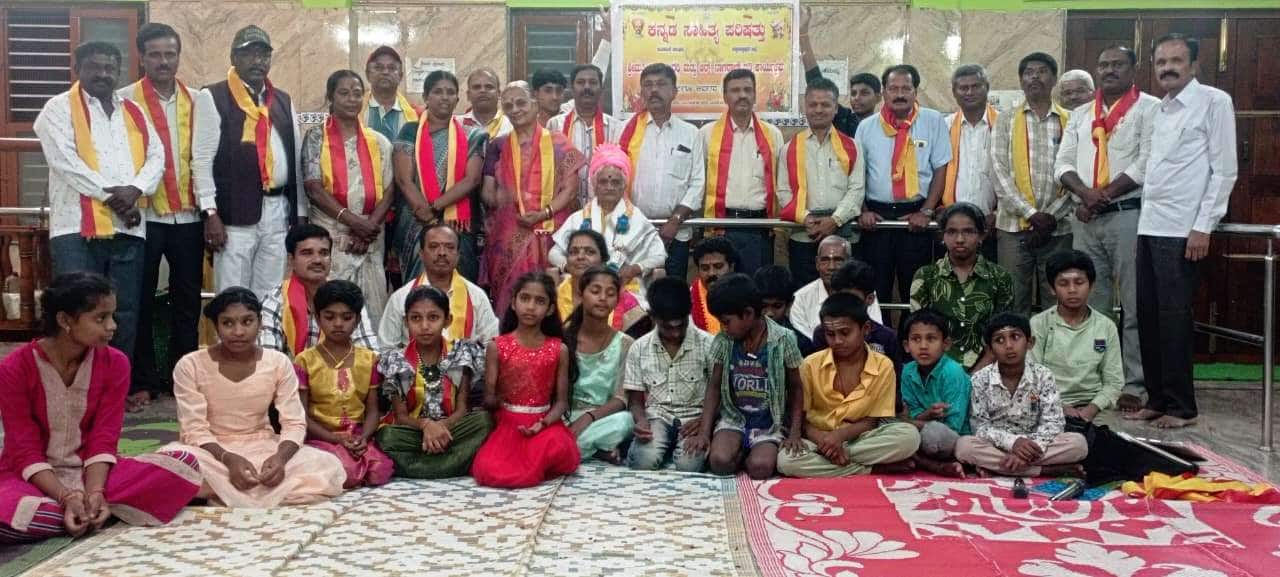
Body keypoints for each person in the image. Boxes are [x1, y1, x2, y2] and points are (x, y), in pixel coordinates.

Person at [0, 273, 201, 543]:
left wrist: (96, 492)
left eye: (112, 316)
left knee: (185, 465)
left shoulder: (115, 363)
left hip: (94, 473)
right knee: (13, 509)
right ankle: (88, 511)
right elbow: (24, 449)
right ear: (65, 320)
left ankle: (86, 509)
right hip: (31, 478)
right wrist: (65, 496)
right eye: (100, 318)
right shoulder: (14, 368)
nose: (112, 326)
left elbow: (103, 438)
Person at [1127, 34, 1237, 429]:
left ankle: (1181, 407)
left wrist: (1203, 226)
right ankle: (1157, 398)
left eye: (1176, 61)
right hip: (1149, 225)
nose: (1167, 68)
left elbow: (1224, 171)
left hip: (1183, 230)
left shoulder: (1214, 102)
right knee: (1148, 316)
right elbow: (1150, 170)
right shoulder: (1158, 110)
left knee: (1174, 319)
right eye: (1161, 62)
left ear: (1194, 65)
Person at [33, 42, 163, 373]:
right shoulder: (57, 109)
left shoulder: (133, 111)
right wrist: (115, 199)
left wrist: (136, 189)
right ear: (77, 69)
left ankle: (113, 385)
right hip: (77, 228)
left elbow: (156, 157)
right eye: (94, 67)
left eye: (110, 68)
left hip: (128, 227)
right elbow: (66, 162)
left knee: (124, 311)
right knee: (76, 310)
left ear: (119, 72)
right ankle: (73, 384)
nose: (103, 74)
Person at [165, 287, 346, 506]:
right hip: (211, 452)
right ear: (216, 327)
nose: (238, 331)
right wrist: (227, 459)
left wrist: (280, 459)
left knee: (327, 464)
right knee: (171, 460)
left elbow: (294, 422)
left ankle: (217, 492)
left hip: (263, 447)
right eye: (228, 323)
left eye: (247, 321)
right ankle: (240, 490)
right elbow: (193, 429)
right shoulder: (190, 365)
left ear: (260, 323)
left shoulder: (277, 362)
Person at [119, 24, 218, 412]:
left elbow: (204, 159)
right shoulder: (125, 99)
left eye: (170, 54)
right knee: (140, 298)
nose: (163, 61)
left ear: (179, 56)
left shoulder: (199, 100)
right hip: (142, 217)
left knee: (187, 301)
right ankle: (142, 380)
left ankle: (182, 378)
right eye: (155, 54)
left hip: (189, 215)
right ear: (142, 57)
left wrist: (210, 211)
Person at [1056, 45, 1158, 413]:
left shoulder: (1149, 108)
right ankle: (1095, 380)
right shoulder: (1081, 114)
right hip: (1086, 217)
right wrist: (1086, 195)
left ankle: (1133, 383)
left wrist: (1103, 196)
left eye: (1117, 64)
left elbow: (1146, 162)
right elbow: (1062, 163)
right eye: (1103, 64)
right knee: (1089, 304)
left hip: (1128, 215)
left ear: (1134, 68)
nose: (1109, 70)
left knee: (1133, 302)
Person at [206, 25, 305, 299]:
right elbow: (201, 162)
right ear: (233, 58)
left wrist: (299, 213)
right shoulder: (213, 96)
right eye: (249, 54)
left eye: (263, 55)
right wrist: (210, 213)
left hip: (277, 211)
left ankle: (265, 331)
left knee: (270, 293)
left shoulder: (282, 100)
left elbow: (295, 160)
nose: (257, 61)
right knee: (232, 293)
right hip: (234, 213)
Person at [777, 293, 921, 478]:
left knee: (909, 437)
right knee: (786, 461)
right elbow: (804, 422)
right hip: (817, 438)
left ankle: (837, 461)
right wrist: (825, 441)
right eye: (830, 334)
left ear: (865, 329)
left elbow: (872, 421)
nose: (837, 341)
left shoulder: (883, 365)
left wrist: (839, 437)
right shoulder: (810, 364)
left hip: (860, 439)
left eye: (845, 333)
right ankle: (872, 468)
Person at [480, 81, 584, 317]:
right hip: (508, 235)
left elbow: (570, 190)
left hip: (550, 233)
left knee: (551, 299)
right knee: (510, 298)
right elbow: (487, 191)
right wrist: (501, 199)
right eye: (508, 105)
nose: (515, 109)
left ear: (535, 105)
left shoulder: (559, 143)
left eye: (521, 103)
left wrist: (543, 213)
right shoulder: (499, 145)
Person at [687, 274, 803, 480]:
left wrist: (794, 432)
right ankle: (738, 451)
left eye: (726, 322)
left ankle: (751, 454)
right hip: (734, 420)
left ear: (748, 313)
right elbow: (714, 387)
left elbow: (796, 388)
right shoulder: (724, 341)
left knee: (760, 468)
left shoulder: (784, 339)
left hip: (769, 424)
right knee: (719, 462)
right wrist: (704, 432)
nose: (723, 328)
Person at [302, 70, 395, 327]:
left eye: (357, 93)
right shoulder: (315, 138)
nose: (352, 99)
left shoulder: (379, 142)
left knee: (372, 309)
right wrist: (354, 222)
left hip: (370, 236)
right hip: (333, 233)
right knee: (333, 307)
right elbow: (313, 188)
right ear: (330, 97)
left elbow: (390, 190)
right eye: (344, 93)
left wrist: (368, 226)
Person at [471, 273, 580, 488]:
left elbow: (561, 402)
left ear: (550, 309)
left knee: (557, 446)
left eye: (539, 301)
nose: (530, 307)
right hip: (507, 422)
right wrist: (496, 400)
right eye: (525, 298)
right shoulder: (496, 346)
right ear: (513, 303)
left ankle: (539, 457)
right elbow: (489, 397)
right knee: (489, 470)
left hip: (544, 423)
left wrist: (543, 423)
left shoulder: (559, 349)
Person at [855, 64, 950, 306]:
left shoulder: (933, 120)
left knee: (916, 290)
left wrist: (926, 211)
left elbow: (940, 169)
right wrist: (863, 210)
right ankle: (880, 331)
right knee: (876, 290)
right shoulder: (867, 126)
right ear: (884, 92)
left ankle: (913, 331)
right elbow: (857, 174)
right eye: (893, 88)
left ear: (915, 91)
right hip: (876, 218)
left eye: (906, 88)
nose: (899, 94)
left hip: (916, 217)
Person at [375, 286, 492, 479]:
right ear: (406, 322)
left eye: (433, 317)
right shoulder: (396, 360)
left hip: (451, 429)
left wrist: (440, 428)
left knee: (483, 421)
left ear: (447, 320)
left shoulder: (460, 353)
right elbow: (401, 416)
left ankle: (419, 467)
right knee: (386, 437)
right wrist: (426, 426)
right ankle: (456, 464)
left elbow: (462, 409)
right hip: (414, 432)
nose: (424, 326)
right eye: (416, 318)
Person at [955, 312, 1088, 477]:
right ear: (990, 349)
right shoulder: (980, 379)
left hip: (1036, 445)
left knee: (1078, 444)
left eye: (1015, 337)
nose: (1009, 346)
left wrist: (1026, 452)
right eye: (999, 340)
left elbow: (1053, 423)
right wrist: (1013, 443)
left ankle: (1002, 468)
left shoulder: (1043, 375)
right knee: (964, 447)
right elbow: (980, 427)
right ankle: (1043, 471)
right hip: (998, 445)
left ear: (1030, 342)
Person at [990, 52, 1074, 315]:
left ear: (1054, 79)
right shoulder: (1005, 119)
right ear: (1021, 80)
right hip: (1014, 227)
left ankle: (1055, 345)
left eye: (1042, 71)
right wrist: (1032, 215)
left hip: (1058, 228)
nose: (1035, 77)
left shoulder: (1070, 120)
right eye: (1029, 72)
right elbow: (998, 171)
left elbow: (1076, 172)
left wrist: (1050, 217)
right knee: (1014, 301)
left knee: (1058, 300)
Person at [294, 280, 393, 489]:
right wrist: (335, 439)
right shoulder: (305, 361)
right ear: (318, 318)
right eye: (330, 317)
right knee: (342, 469)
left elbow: (373, 411)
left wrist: (364, 437)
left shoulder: (369, 359)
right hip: (321, 437)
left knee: (380, 470)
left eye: (346, 317)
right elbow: (302, 416)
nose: (338, 324)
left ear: (357, 320)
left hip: (357, 436)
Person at [392, 70, 486, 283]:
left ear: (458, 99)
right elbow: (404, 180)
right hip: (415, 219)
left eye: (450, 92)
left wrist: (434, 209)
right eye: (437, 92)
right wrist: (424, 213)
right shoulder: (410, 131)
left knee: (459, 284)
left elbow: (472, 179)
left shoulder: (473, 134)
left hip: (457, 223)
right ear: (426, 97)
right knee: (419, 287)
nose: (444, 97)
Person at [777, 77, 866, 286]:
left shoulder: (852, 146)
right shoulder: (789, 148)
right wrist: (806, 218)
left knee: (845, 293)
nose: (818, 110)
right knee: (805, 294)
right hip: (803, 234)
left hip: (843, 235)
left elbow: (857, 189)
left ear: (835, 108)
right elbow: (783, 192)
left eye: (825, 104)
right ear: (804, 108)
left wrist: (834, 220)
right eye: (813, 104)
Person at [621, 63, 706, 281]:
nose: (654, 90)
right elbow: (616, 180)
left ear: (674, 92)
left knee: (672, 292)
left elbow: (697, 183)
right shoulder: (626, 132)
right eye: (648, 85)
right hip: (634, 232)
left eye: (661, 84)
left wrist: (675, 220)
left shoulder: (691, 133)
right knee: (636, 294)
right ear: (642, 92)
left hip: (677, 233)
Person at [910, 203, 1014, 370]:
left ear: (981, 236)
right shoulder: (926, 276)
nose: (959, 239)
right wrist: (950, 376)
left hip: (989, 370)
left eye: (968, 231)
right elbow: (919, 333)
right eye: (952, 232)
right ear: (942, 236)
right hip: (937, 370)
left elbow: (1002, 334)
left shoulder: (1000, 277)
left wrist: (976, 374)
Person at [700, 69, 784, 273]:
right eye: (735, 90)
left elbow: (781, 182)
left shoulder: (773, 135)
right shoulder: (707, 134)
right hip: (722, 225)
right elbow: (698, 181)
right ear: (725, 96)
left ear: (755, 95)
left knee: (758, 285)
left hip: (760, 227)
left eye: (747, 90)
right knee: (723, 287)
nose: (742, 95)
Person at [625, 277, 713, 472]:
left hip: (695, 419)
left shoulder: (708, 344)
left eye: (680, 325)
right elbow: (635, 400)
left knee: (689, 466)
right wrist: (641, 421)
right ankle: (655, 447)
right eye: (667, 327)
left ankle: (668, 449)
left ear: (689, 312)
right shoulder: (639, 348)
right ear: (652, 316)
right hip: (657, 417)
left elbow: (720, 394)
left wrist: (705, 422)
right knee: (643, 462)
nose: (675, 334)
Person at [550, 143, 666, 289]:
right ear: (594, 185)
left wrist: (635, 269)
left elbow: (659, 256)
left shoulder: (637, 219)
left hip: (624, 285)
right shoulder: (578, 218)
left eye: (615, 182)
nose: (609, 187)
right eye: (603, 182)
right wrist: (569, 267)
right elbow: (554, 253)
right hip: (582, 285)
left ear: (624, 186)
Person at [1030, 250, 1123, 423]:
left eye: (1079, 282)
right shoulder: (1038, 324)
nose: (1072, 290)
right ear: (1052, 288)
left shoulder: (1106, 326)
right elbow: (1031, 378)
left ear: (1091, 286)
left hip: (1096, 408)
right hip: (1049, 405)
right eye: (1063, 283)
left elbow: (1114, 382)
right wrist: (1061, 406)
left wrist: (1092, 408)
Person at [259, 224, 379, 357]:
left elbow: (370, 354)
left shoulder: (347, 296)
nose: (317, 260)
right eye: (307, 253)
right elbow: (269, 359)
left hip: (343, 369)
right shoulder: (276, 300)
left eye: (324, 253)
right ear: (291, 260)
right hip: (289, 370)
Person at [378, 222, 499, 353]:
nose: (442, 253)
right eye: (434, 246)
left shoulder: (476, 296)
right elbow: (386, 349)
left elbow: (491, 345)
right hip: (413, 366)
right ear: (421, 254)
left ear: (458, 255)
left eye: (449, 247)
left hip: (466, 366)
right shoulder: (401, 297)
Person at [563, 267, 635, 463]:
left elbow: (621, 398)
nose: (603, 298)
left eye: (610, 294)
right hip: (566, 416)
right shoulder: (564, 338)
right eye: (595, 291)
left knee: (626, 421)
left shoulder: (625, 343)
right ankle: (597, 450)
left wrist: (589, 417)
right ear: (581, 294)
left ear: (617, 299)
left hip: (604, 418)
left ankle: (571, 448)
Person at [898, 308, 970, 478]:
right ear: (906, 346)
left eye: (931, 339)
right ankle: (929, 463)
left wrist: (909, 421)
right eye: (916, 339)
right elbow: (911, 413)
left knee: (934, 435)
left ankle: (923, 462)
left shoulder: (953, 372)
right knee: (890, 429)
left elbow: (953, 427)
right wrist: (927, 415)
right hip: (919, 432)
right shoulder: (907, 371)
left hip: (954, 438)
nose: (923, 346)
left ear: (946, 344)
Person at [941, 65, 998, 261]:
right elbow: (936, 171)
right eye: (963, 88)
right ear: (954, 92)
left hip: (994, 222)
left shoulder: (1004, 124)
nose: (969, 92)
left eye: (976, 86)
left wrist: (999, 213)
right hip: (951, 224)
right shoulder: (945, 126)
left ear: (987, 87)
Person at [798, 7, 880, 137]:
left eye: (864, 93)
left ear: (878, 97)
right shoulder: (844, 120)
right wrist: (803, 34)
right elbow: (815, 80)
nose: (857, 98)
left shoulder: (885, 127)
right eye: (853, 93)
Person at [548, 64, 623, 202]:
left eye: (593, 82)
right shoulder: (555, 125)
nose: (587, 87)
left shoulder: (615, 127)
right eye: (581, 82)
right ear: (572, 88)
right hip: (565, 206)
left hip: (603, 207)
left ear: (601, 89)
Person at [555, 229, 649, 338]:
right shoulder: (553, 297)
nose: (580, 257)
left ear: (603, 261)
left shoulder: (624, 300)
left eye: (590, 252)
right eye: (573, 252)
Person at [810, 261, 899, 373]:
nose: (847, 305)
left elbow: (894, 379)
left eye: (853, 299)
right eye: (842, 298)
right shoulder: (822, 334)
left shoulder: (886, 338)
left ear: (870, 299)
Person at [789, 235, 852, 340]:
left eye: (838, 260)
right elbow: (804, 340)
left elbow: (874, 332)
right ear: (817, 263)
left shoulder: (863, 293)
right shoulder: (801, 298)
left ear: (849, 263)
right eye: (825, 260)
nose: (831, 267)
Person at [754, 265, 815, 356]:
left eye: (777, 306)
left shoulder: (801, 343)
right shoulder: (741, 334)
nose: (769, 313)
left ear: (789, 304)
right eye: (763, 306)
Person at [362, 46, 418, 143]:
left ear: (400, 76)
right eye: (378, 67)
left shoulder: (416, 115)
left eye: (392, 68)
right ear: (367, 75)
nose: (385, 72)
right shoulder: (355, 112)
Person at [689, 236, 737, 334]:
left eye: (718, 266)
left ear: (731, 267)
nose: (711, 273)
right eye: (705, 268)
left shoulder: (746, 296)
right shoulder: (686, 301)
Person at [458, 68, 513, 140]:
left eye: (489, 87)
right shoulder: (457, 125)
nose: (483, 90)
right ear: (468, 95)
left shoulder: (512, 125)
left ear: (499, 94)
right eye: (477, 87)